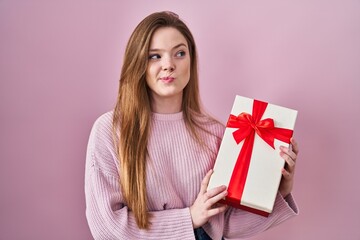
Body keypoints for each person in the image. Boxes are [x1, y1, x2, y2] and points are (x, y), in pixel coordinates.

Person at [85, 11, 299, 240]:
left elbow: (223, 224)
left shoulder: (216, 133)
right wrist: (189, 218)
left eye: (179, 53)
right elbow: (107, 228)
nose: (169, 65)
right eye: (154, 56)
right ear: (138, 62)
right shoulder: (111, 130)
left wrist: (280, 190)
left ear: (191, 60)